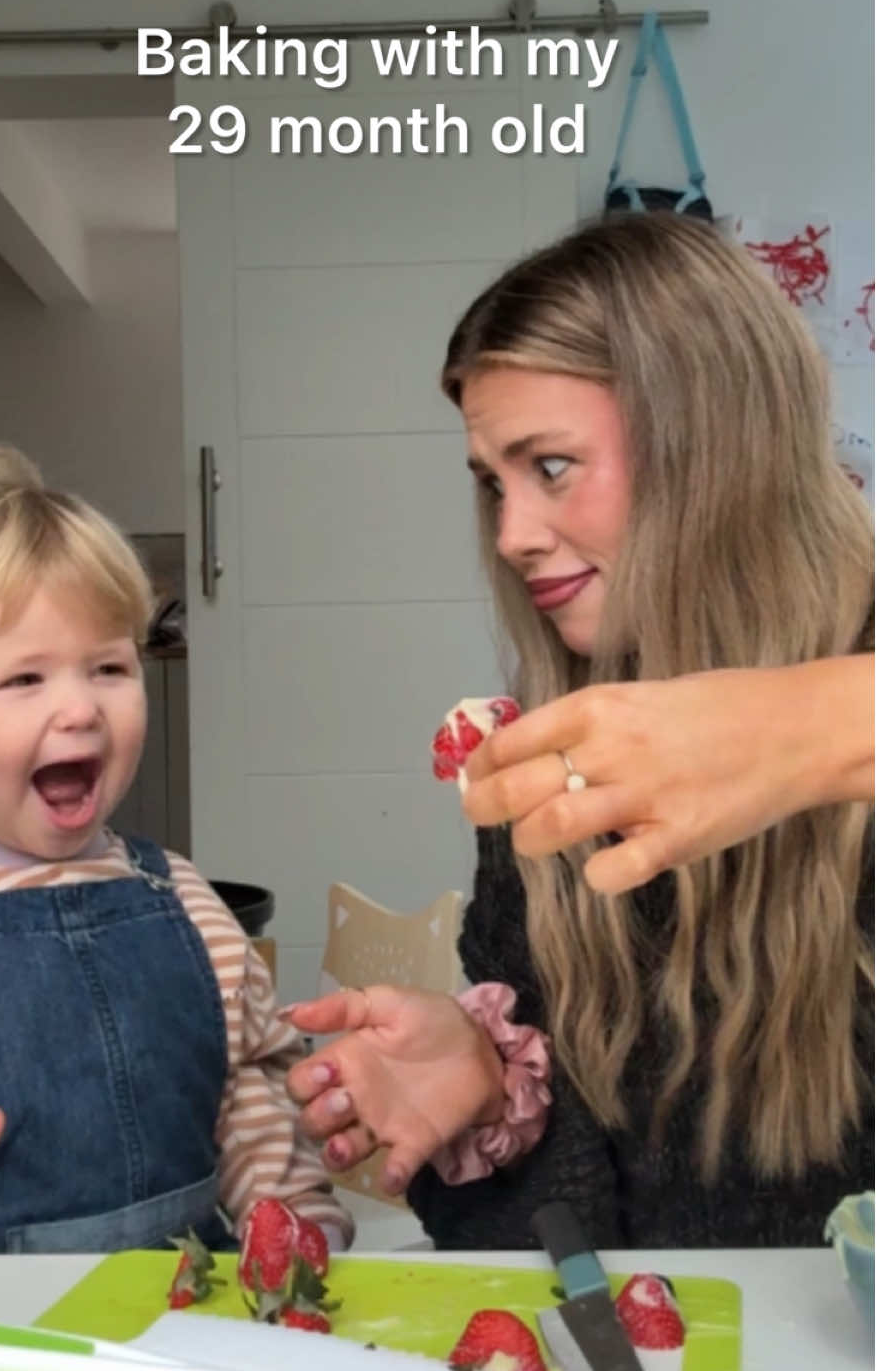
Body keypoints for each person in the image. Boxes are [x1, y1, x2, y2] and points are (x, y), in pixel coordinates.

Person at [285, 212, 875, 1250]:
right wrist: (487, 1106)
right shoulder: (553, 754)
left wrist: (816, 726)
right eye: (490, 482)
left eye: (549, 467)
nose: (511, 534)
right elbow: (578, 1247)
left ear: (712, 444)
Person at [0, 448, 351, 1265]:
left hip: (189, 1323)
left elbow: (251, 1086)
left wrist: (294, 1222)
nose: (79, 708)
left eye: (108, 666)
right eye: (24, 678)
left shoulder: (181, 896)